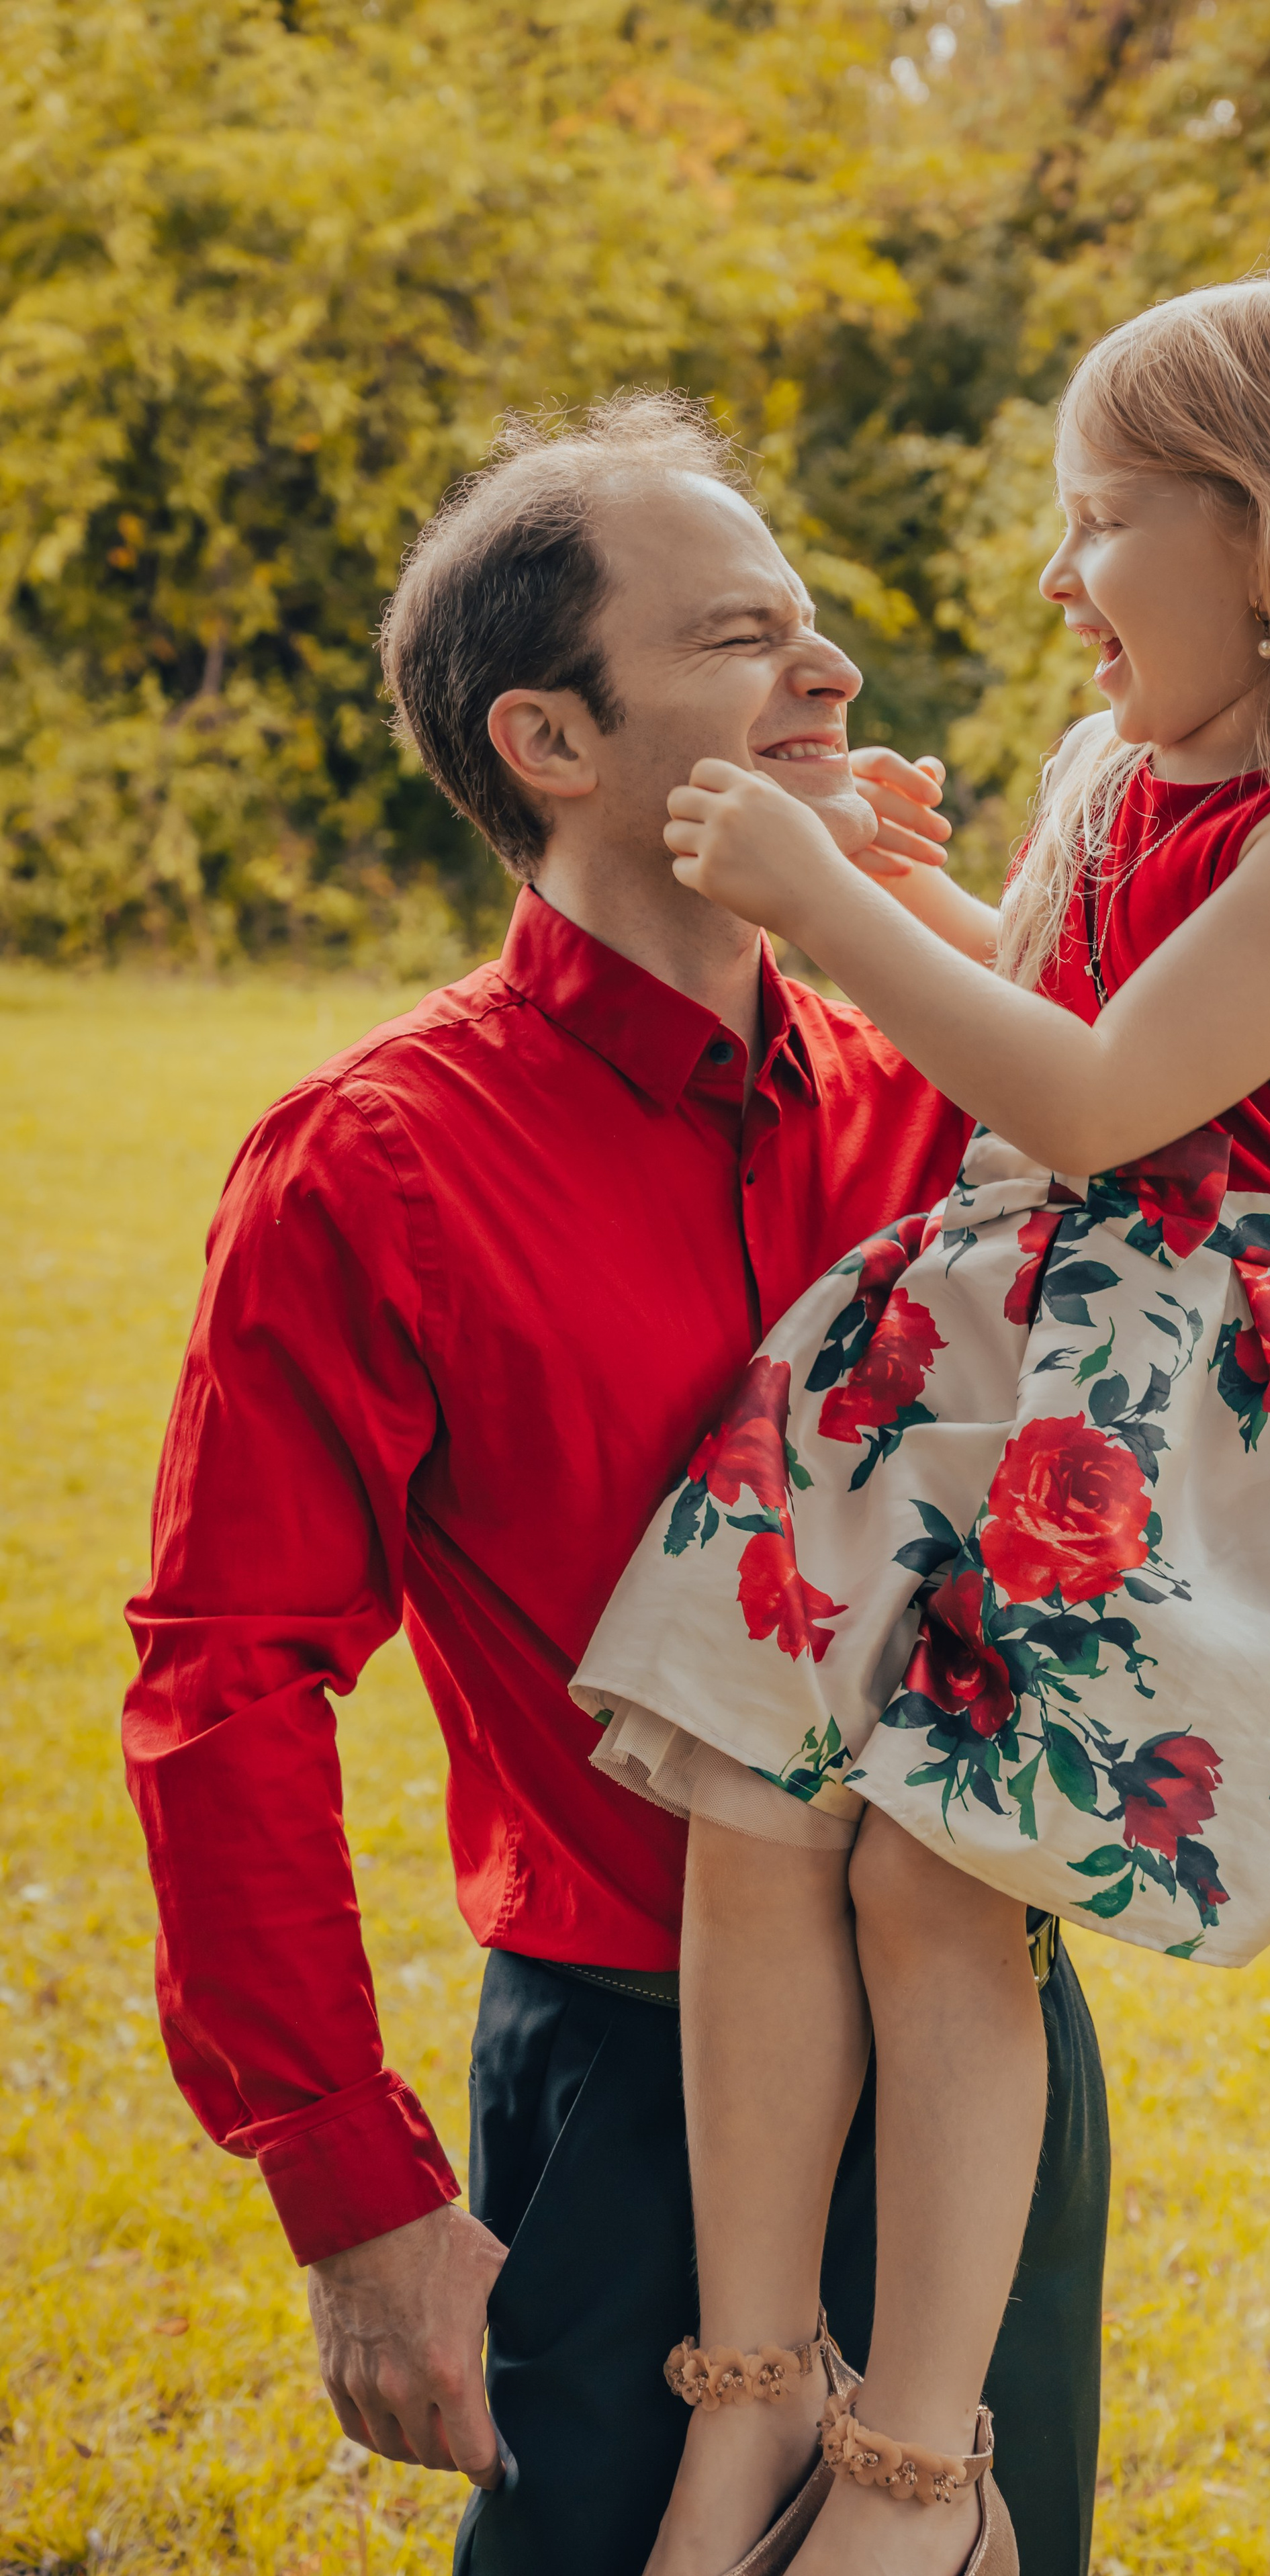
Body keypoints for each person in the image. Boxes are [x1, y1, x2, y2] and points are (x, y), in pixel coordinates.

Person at [574, 244, 1270, 2576]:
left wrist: (822, 907)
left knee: (938, 1861)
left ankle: (919, 2468)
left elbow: (1107, 1100)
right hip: (1008, 1349)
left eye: (1102, 516)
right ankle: (755, 2391)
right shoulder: (1114, 767)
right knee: (770, 1801)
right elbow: (1058, 999)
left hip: (1195, 1415)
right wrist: (917, 884)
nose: (1059, 576)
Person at [120, 394, 1111, 2576]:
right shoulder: (370, 1163)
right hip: (633, 2091)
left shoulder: (956, 1075)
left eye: (819, 625)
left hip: (977, 2053)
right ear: (552, 742)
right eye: (748, 637)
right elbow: (225, 1682)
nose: (831, 672)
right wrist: (355, 2191)